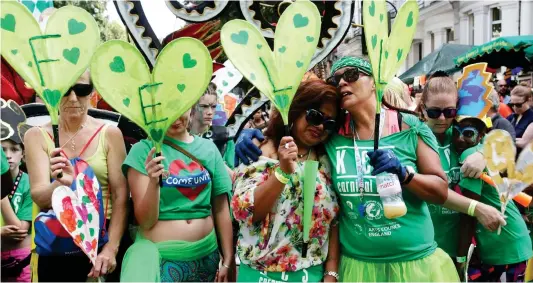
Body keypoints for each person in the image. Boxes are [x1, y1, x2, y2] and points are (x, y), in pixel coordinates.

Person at [235, 57, 506, 282]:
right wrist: (256, 136)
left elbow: (439, 189)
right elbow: (298, 130)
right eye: (335, 79)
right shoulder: (333, 135)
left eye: (350, 74)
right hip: (359, 267)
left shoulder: (409, 127)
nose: (341, 82)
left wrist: (404, 173)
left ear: (374, 80)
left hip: (415, 264)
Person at [24, 71, 129, 281]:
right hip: (58, 242)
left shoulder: (109, 134)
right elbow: (39, 196)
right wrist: (59, 185)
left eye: (81, 89)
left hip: (103, 239)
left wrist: (111, 249)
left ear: (92, 91)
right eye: (65, 90)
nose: (73, 98)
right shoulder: (36, 135)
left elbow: (121, 196)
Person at [232, 80, 340, 282]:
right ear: (295, 110)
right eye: (314, 115)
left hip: (311, 274)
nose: (320, 126)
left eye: (329, 123)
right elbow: (245, 212)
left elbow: (334, 221)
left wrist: (331, 273)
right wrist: (281, 172)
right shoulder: (260, 151)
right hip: (261, 275)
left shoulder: (327, 161)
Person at [121, 108, 234, 282]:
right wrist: (153, 183)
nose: (174, 118)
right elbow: (146, 221)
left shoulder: (209, 149)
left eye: (180, 108)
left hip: (206, 258)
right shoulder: (142, 151)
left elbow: (221, 208)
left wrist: (227, 259)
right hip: (161, 260)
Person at [453, 117, 532, 282]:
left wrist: (460, 259)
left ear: (480, 136)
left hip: (506, 245)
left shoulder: (470, 155)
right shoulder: (478, 151)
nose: (460, 138)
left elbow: (470, 211)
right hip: (509, 241)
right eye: (455, 132)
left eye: (468, 133)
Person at [1, 137, 32, 282]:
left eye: (14, 149)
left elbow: (19, 230)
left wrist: (2, 196)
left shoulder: (29, 183)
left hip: (20, 259)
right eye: (2, 149)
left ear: (23, 155)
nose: (7, 155)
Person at [190, 83, 236, 170]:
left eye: (213, 107)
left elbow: (232, 176)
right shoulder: (181, 136)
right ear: (193, 106)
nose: (210, 112)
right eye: (204, 106)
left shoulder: (225, 136)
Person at [507, 85, 533, 151]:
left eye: (518, 105)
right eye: (512, 104)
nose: (514, 108)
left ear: (528, 100)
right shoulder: (512, 116)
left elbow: (523, 143)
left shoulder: (531, 117)